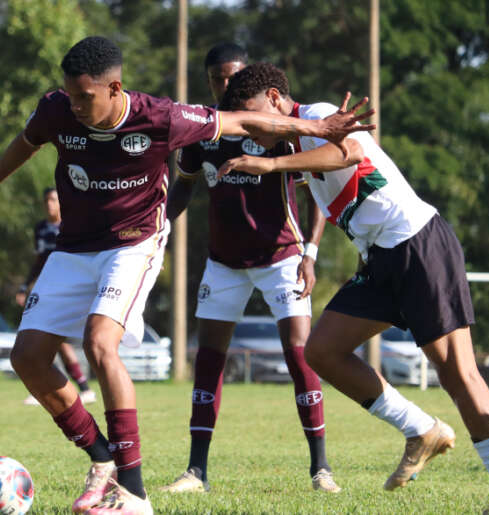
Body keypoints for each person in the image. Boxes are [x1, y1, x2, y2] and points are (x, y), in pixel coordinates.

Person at [0, 36, 373, 514]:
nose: (73, 105)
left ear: (114, 88)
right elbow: (26, 142)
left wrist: (316, 126)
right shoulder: (56, 110)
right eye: (69, 95)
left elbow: (244, 120)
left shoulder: (161, 117)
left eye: (84, 96)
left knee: (100, 342)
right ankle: (102, 458)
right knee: (27, 358)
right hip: (74, 246)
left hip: (133, 243)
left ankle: (133, 494)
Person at [214, 62, 489, 514]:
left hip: (417, 243)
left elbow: (345, 153)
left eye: (253, 115)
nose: (253, 129)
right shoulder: (298, 142)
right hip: (383, 260)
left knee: (459, 375)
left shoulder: (322, 113)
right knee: (321, 351)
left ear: (274, 100)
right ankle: (420, 428)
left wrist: (270, 164)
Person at [161, 43, 339, 495]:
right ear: (208, 81)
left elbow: (317, 190)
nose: (226, 86)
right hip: (223, 262)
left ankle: (321, 469)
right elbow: (181, 190)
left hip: (281, 257)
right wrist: (156, 228)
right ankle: (196, 472)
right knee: (208, 360)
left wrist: (310, 252)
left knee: (301, 355)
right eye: (218, 78)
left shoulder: (277, 128)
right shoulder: (201, 130)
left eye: (234, 77)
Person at [18, 187, 97, 406]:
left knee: (50, 337)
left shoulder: (72, 225)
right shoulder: (41, 229)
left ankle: (50, 389)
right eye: (46, 200)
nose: (49, 204)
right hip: (47, 286)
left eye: (53, 199)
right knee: (50, 337)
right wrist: (25, 286)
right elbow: (39, 260)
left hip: (69, 286)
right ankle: (80, 388)